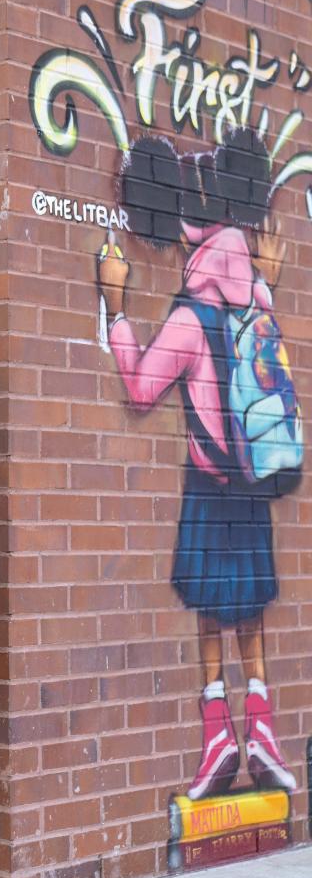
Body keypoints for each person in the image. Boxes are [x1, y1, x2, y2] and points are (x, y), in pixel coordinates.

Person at [98, 129, 298, 805]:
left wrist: (116, 306)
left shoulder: (189, 316)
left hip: (207, 485)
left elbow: (142, 389)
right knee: (253, 610)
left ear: (183, 233)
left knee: (211, 611)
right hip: (255, 484)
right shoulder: (255, 298)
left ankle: (218, 729)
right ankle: (262, 723)